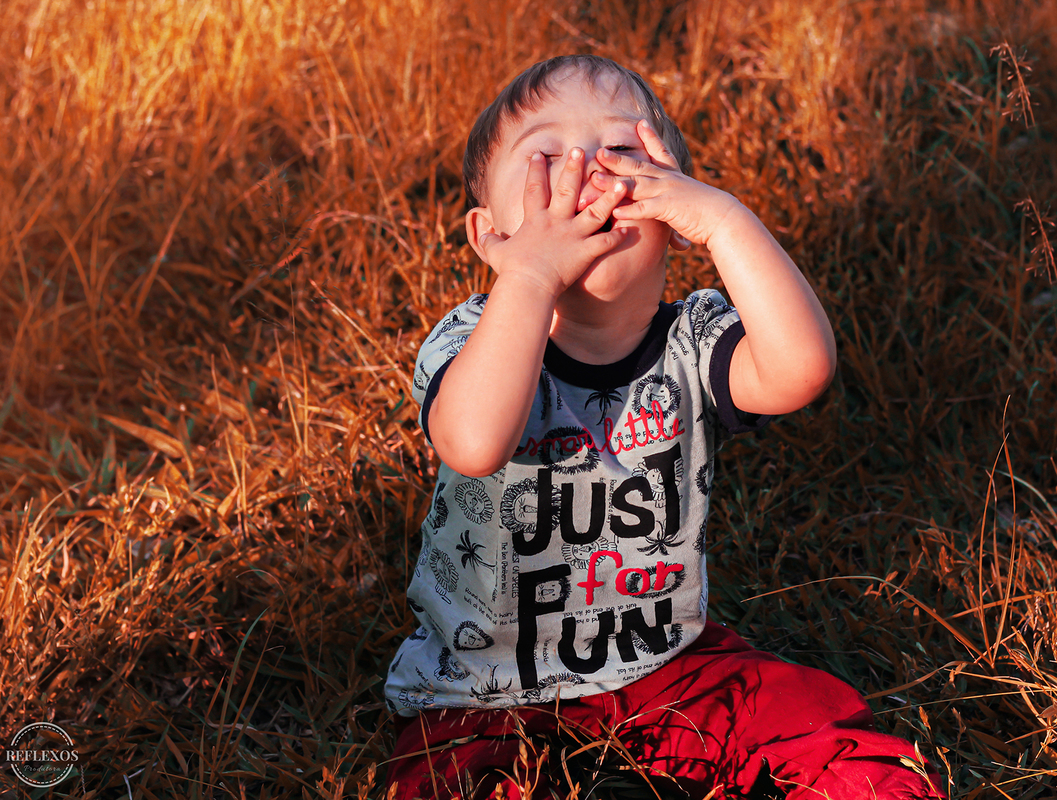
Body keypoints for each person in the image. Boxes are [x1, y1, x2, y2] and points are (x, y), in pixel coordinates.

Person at [383, 54, 945, 799]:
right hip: (481, 691)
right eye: (548, 158)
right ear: (488, 236)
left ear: (673, 215)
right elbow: (474, 441)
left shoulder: (696, 337)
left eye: (623, 151)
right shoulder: (469, 341)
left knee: (816, 724)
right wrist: (528, 277)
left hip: (665, 666)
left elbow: (800, 369)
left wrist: (724, 218)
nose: (590, 172)